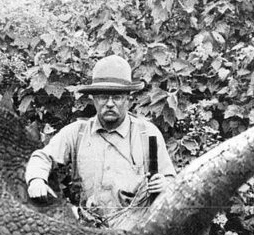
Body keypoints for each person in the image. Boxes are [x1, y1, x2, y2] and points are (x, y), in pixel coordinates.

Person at [25, 55, 176, 222]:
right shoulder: (77, 133)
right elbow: (42, 157)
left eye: (117, 97)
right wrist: (36, 179)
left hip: (136, 233)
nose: (110, 103)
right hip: (89, 233)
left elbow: (172, 182)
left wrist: (164, 184)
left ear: (128, 99)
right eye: (103, 97)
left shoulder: (147, 134)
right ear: (94, 99)